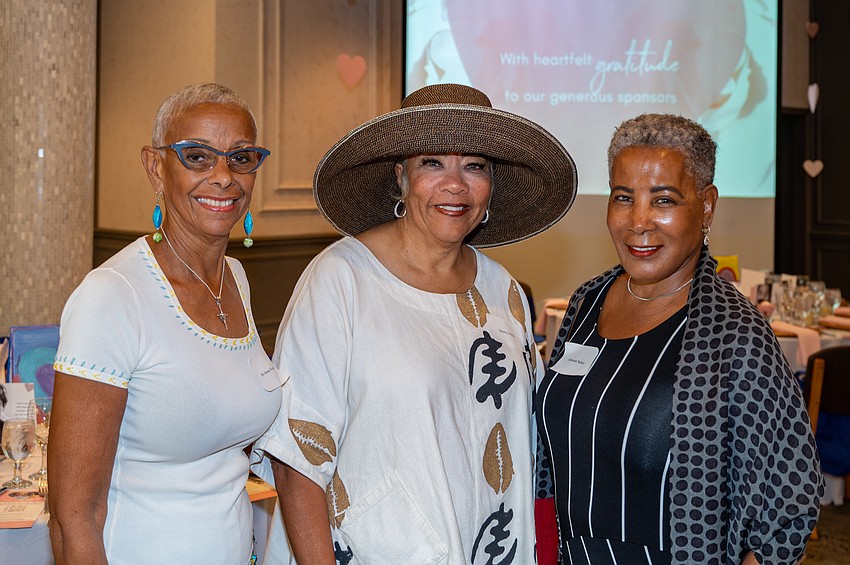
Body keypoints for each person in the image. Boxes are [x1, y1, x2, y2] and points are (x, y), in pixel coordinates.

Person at [251, 83, 578, 564]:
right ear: (400, 178)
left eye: (475, 166)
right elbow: (296, 458)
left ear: (491, 189)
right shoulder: (342, 280)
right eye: (433, 163)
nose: (455, 184)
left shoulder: (502, 290)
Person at [535, 113, 822, 564]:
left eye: (663, 200)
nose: (639, 222)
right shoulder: (587, 302)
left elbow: (789, 504)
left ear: (706, 206)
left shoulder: (735, 334)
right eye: (623, 198)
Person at [49, 83, 285, 565]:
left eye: (242, 158)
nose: (224, 177)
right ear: (156, 168)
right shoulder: (113, 297)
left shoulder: (235, 279)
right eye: (197, 156)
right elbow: (74, 517)